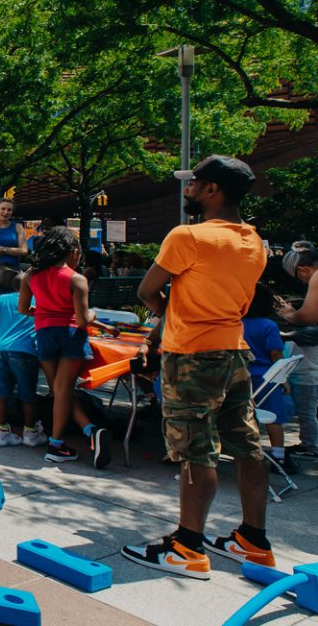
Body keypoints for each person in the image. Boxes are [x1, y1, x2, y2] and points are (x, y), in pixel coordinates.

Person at [123, 155, 271, 579]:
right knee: (246, 443)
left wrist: (168, 313)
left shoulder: (188, 236)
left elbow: (146, 289)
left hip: (191, 353)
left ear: (212, 190)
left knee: (195, 449)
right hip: (234, 350)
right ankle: (253, 541)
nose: (187, 190)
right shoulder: (253, 242)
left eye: (194, 183)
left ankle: (187, 546)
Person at [19, 225, 117, 467]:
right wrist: (94, 316)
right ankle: (56, 444)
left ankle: (89, 431)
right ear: (72, 251)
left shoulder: (31, 275)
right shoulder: (77, 279)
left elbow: (23, 309)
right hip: (71, 335)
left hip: (44, 334)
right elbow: (83, 319)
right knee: (63, 390)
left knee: (59, 391)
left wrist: (43, 313)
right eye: (79, 252)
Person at [0, 268, 45, 447]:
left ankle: (0, 432)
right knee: (28, 395)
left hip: (1, 350)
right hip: (25, 351)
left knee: (0, 393)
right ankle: (30, 433)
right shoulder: (39, 301)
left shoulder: (3, 299)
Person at [242, 285, 293, 471]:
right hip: (266, 377)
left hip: (240, 376)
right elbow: (276, 354)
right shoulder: (268, 325)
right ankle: (278, 455)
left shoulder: (234, 324)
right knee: (273, 417)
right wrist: (284, 379)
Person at [276, 245, 318, 459]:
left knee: (307, 412)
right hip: (309, 370)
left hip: (309, 373)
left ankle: (310, 446)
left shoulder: (316, 277)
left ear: (302, 269)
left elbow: (307, 318)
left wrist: (289, 315)